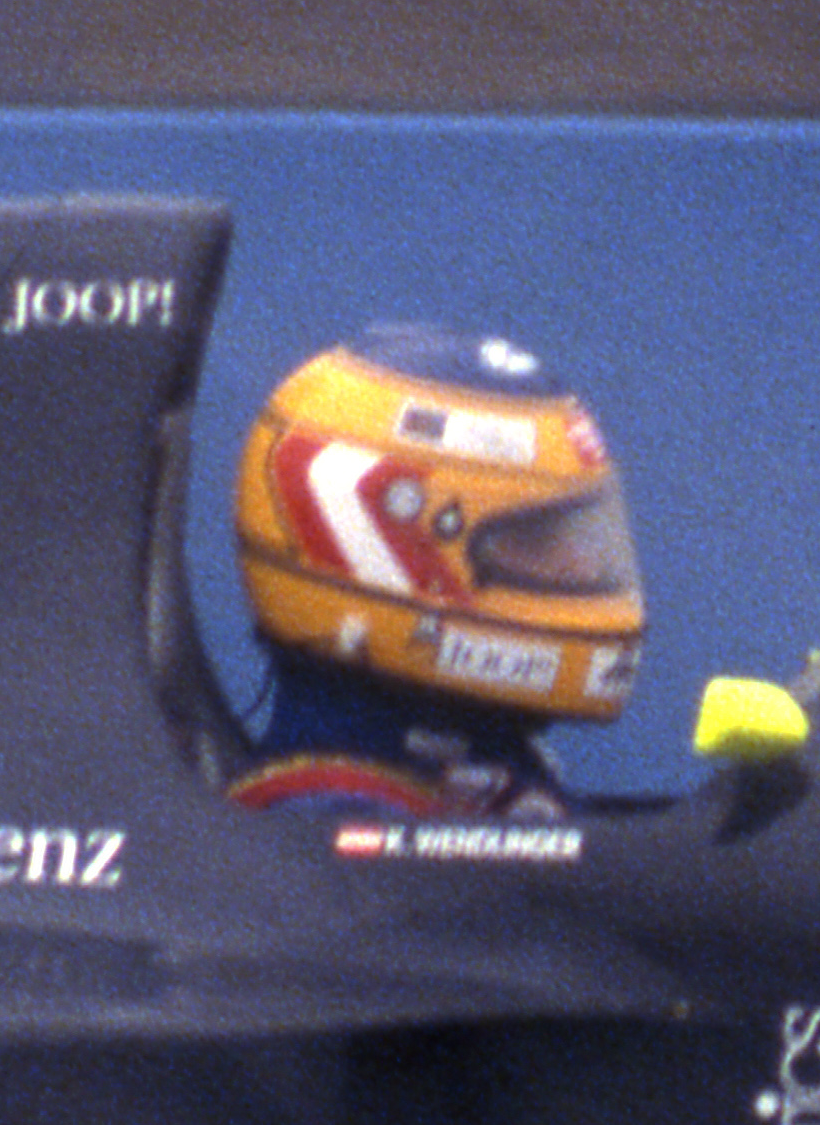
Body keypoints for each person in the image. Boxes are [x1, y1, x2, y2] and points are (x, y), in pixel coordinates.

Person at [224, 321, 645, 823]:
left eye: (583, 536)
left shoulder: (466, 788)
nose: (585, 565)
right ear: (379, 548)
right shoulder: (333, 836)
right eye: (537, 541)